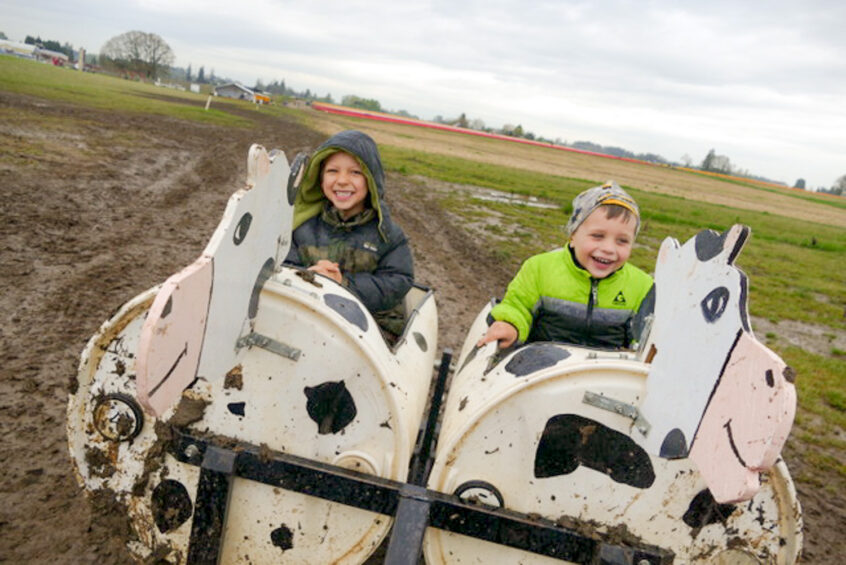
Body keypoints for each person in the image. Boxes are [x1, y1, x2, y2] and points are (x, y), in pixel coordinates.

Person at [478, 181, 653, 350]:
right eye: (597, 236)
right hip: (540, 364)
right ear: (573, 235)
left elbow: (646, 338)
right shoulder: (539, 269)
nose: (608, 249)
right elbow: (517, 307)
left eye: (622, 241)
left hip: (606, 369)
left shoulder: (642, 286)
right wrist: (510, 326)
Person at [286, 130, 413, 337]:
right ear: (319, 178)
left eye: (355, 172)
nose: (342, 180)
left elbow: (398, 280)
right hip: (308, 314)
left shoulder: (388, 234)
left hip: (368, 329)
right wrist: (308, 274)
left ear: (371, 180)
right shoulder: (300, 226)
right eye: (333, 171)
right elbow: (284, 265)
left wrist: (342, 284)